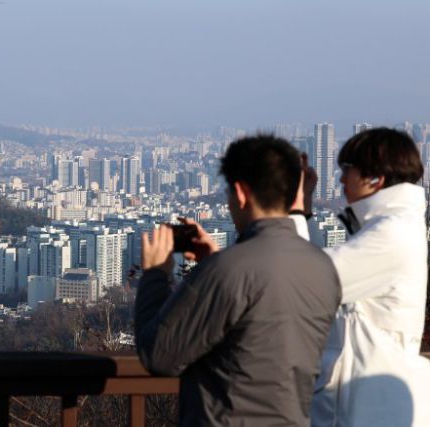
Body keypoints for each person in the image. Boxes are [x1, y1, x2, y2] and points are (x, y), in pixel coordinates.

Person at [135, 135, 341, 426]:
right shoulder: (322, 268)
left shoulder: (228, 270)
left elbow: (158, 354)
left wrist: (155, 275)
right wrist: (215, 264)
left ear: (242, 194)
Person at [291, 128, 429, 426]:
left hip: (370, 406)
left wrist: (292, 211)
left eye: (347, 170)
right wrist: (302, 209)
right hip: (368, 399)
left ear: (375, 179)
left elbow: (305, 280)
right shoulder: (391, 226)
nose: (341, 180)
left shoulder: (391, 235)